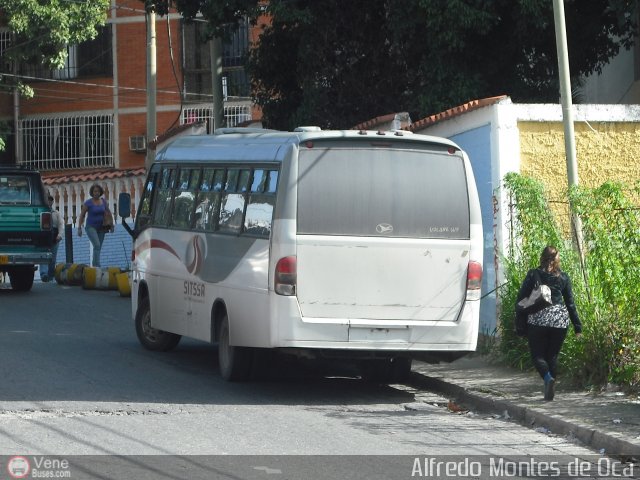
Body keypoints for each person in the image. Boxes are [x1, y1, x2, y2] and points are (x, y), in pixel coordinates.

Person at [517, 245, 582, 401]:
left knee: (538, 356)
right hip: (560, 320)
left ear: (542, 257)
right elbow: (570, 304)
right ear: (557, 259)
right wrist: (578, 327)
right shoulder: (564, 277)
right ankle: (549, 391)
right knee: (552, 356)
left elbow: (521, 299)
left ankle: (547, 378)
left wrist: (520, 323)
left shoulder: (533, 274)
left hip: (538, 319)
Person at [77, 184, 111, 267]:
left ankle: (94, 265)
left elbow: (108, 212)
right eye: (95, 191)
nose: (97, 193)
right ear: (92, 192)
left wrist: (112, 224)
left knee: (98, 248)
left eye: (98, 191)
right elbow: (82, 215)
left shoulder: (103, 201)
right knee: (97, 245)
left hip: (102, 227)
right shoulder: (88, 203)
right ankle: (97, 266)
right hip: (90, 227)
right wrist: (79, 228)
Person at [40, 195, 64, 282]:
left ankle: (50, 276)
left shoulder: (56, 213)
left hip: (54, 236)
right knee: (43, 256)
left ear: (52, 202)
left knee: (52, 258)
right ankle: (44, 274)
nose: (49, 202)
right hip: (44, 236)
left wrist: (60, 235)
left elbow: (61, 225)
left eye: (50, 201)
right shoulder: (41, 211)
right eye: (47, 200)